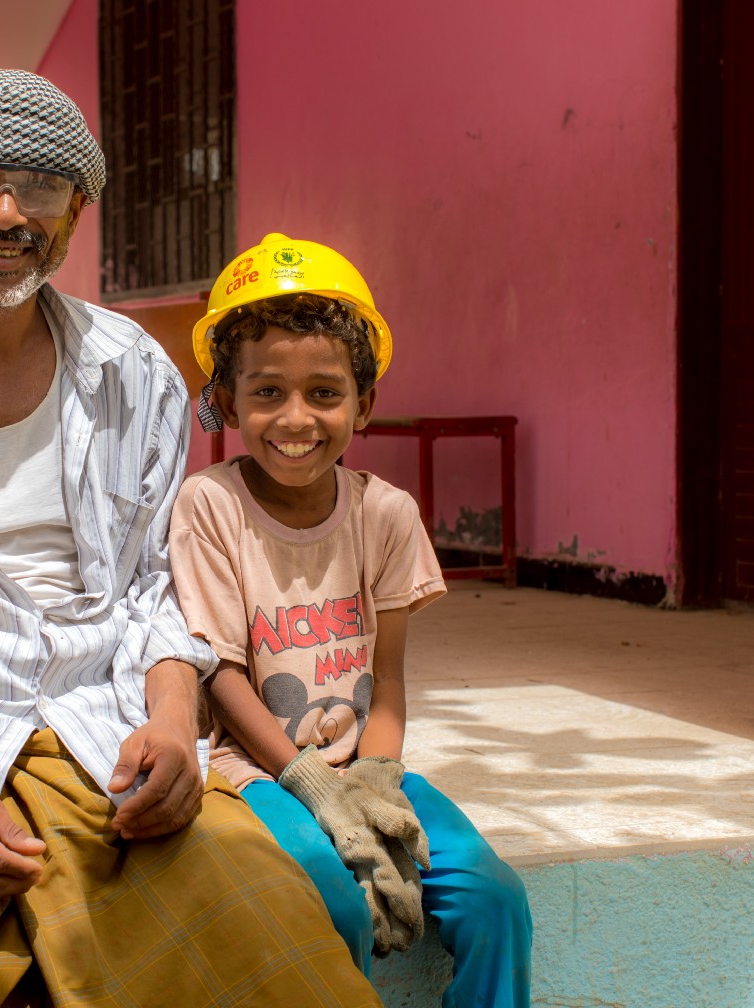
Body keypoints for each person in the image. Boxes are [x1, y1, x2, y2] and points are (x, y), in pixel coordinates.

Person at [0, 71, 381, 1007]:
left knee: (280, 962)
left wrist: (174, 725)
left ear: (77, 212)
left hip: (113, 742)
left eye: (40, 188)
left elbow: (156, 594)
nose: (6, 214)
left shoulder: (133, 370)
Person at [170, 233, 534, 1007]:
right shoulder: (211, 506)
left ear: (363, 405)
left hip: (361, 767)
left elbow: (390, 673)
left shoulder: (387, 514)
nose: (295, 417)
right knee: (332, 899)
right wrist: (311, 785)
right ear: (228, 402)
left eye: (324, 393)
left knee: (495, 897)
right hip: (253, 770)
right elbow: (222, 672)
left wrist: (375, 773)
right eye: (266, 392)